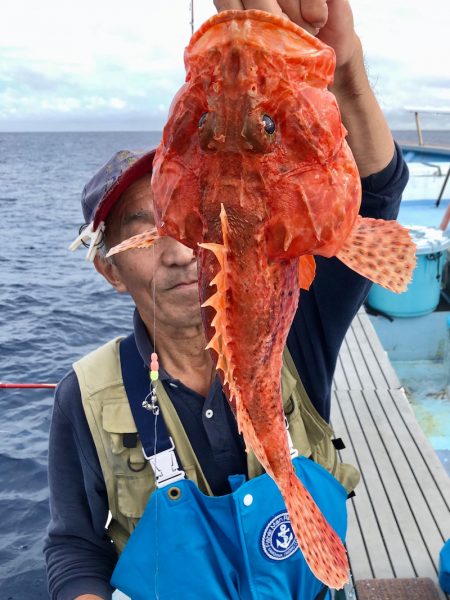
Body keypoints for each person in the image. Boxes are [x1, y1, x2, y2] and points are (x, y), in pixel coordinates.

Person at [44, 0, 409, 598]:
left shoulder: (300, 331)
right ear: (109, 270)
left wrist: (347, 78)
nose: (178, 248)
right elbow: (72, 544)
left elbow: (376, 196)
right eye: (143, 229)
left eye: (181, 219)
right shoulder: (83, 395)